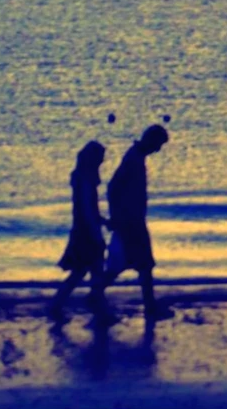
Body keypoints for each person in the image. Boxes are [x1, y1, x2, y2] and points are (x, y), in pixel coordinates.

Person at [99, 124, 170, 319]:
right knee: (138, 264)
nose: (158, 150)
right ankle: (97, 293)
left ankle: (150, 306)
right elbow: (113, 186)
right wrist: (117, 215)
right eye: (158, 145)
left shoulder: (136, 157)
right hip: (130, 221)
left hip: (134, 219)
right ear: (151, 140)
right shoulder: (133, 158)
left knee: (140, 264)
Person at [50, 141, 110, 318]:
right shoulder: (86, 181)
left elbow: (86, 208)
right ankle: (99, 309)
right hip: (86, 232)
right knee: (93, 271)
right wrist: (96, 232)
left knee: (81, 272)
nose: (101, 162)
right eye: (99, 159)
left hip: (81, 230)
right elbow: (87, 208)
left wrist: (102, 221)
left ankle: (57, 305)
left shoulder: (81, 178)